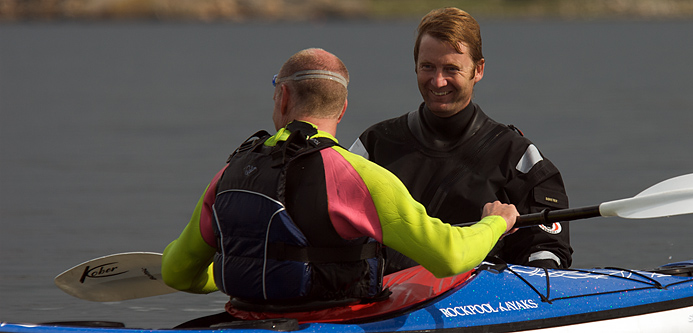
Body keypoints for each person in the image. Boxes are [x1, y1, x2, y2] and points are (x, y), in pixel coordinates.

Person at [161, 48, 518, 318]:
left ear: (284, 98)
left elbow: (177, 274)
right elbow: (450, 256)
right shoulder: (360, 176)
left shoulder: (230, 173)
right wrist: (495, 223)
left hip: (247, 316)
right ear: (342, 108)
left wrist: (252, 269)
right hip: (335, 320)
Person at [350, 7, 572, 273]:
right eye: (427, 67)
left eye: (451, 69)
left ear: (478, 70)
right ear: (415, 66)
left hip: (482, 297)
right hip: (384, 294)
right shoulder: (374, 145)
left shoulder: (517, 158)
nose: (438, 81)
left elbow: (547, 254)